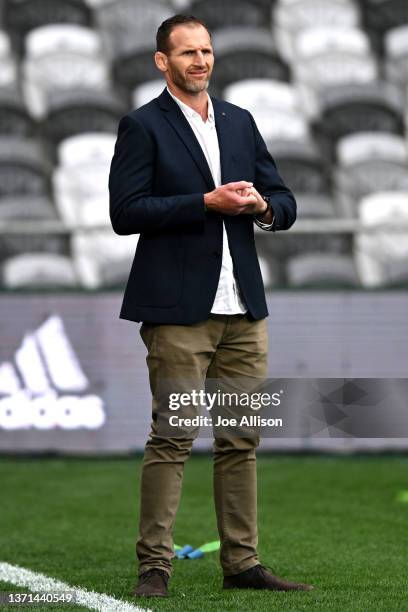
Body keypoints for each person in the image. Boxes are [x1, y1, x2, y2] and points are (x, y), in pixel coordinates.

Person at [109, 14, 313, 598]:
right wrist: (205, 201)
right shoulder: (142, 125)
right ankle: (155, 565)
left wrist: (262, 209)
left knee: (242, 437)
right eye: (187, 52)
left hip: (244, 308)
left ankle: (242, 564)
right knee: (173, 436)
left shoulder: (241, 121)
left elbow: (284, 198)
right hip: (177, 311)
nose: (200, 61)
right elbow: (126, 213)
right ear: (161, 61)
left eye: (206, 51)